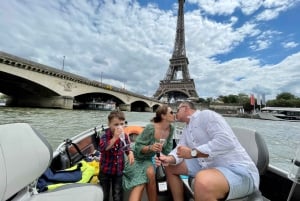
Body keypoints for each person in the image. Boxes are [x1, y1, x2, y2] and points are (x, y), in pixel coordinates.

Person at [156, 101, 259, 201]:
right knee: (170, 166)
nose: (175, 113)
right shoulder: (187, 129)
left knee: (203, 181)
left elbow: (226, 141)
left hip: (238, 170)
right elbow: (180, 149)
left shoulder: (207, 115)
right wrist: (168, 158)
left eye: (177, 110)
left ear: (186, 108)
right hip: (208, 166)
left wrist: (193, 153)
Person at [123, 104, 175, 201]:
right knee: (142, 181)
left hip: (147, 159)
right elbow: (138, 147)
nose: (174, 114)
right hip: (134, 157)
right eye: (171, 112)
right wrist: (151, 147)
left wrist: (162, 155)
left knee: (151, 173)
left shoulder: (171, 129)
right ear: (163, 116)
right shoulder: (150, 128)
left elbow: (167, 150)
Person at [99, 110, 134, 201]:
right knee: (104, 194)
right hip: (105, 170)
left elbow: (127, 147)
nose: (119, 127)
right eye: (116, 124)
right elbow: (103, 148)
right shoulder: (104, 136)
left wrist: (130, 153)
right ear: (109, 124)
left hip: (118, 170)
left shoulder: (124, 136)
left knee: (117, 194)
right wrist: (114, 138)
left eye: (121, 124)